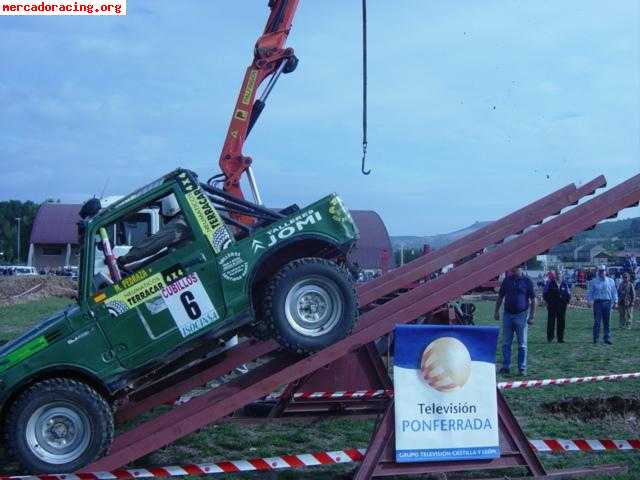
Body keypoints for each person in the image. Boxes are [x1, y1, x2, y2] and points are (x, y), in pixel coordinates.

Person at [117, 194, 192, 269]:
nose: (159, 213)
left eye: (160, 208)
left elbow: (152, 244)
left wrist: (124, 259)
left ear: (170, 205)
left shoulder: (178, 224)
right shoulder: (186, 220)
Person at [494, 265, 536, 375]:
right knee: (506, 343)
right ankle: (506, 366)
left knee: (522, 344)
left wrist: (532, 316)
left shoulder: (527, 281)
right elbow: (500, 297)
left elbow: (533, 299)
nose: (513, 269)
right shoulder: (506, 281)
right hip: (507, 315)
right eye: (512, 267)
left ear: (521, 268)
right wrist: (496, 311)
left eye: (516, 267)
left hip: (521, 316)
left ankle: (522, 368)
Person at [586, 264, 618, 344]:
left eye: (603, 271)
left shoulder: (611, 281)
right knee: (597, 321)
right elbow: (590, 292)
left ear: (605, 271)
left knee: (607, 321)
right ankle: (596, 338)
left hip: (608, 303)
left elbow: (614, 292)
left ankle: (607, 338)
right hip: (598, 303)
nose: (601, 272)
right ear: (598, 272)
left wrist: (616, 301)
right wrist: (589, 301)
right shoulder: (593, 281)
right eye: (600, 271)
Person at [543, 270, 571, 343]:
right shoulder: (550, 283)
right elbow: (545, 293)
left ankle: (560, 338)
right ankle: (550, 338)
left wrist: (566, 302)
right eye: (558, 274)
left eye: (560, 274)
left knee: (561, 322)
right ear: (555, 275)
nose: (559, 275)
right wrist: (549, 302)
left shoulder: (565, 284)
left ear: (562, 275)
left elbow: (568, 294)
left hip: (562, 307)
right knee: (551, 322)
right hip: (552, 306)